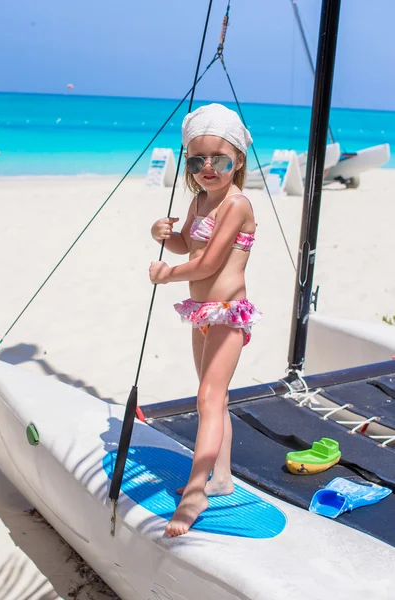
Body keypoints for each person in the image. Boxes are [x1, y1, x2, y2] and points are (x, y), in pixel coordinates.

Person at [149, 103, 261, 537]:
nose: (208, 167)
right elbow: (186, 246)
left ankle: (196, 491)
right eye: (197, 160)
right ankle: (221, 478)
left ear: (238, 161)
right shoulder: (199, 199)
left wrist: (166, 275)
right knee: (214, 398)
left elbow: (208, 265)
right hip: (200, 313)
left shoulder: (237, 205)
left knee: (208, 400)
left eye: (220, 159)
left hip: (229, 314)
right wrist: (162, 235)